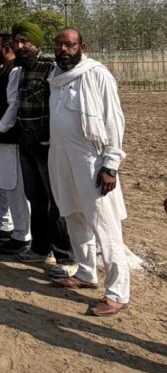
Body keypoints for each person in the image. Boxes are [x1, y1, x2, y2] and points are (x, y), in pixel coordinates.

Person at [47, 29, 130, 317]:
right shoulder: (55, 77)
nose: (63, 49)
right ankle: (85, 272)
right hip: (61, 157)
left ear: (82, 46)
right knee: (73, 215)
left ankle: (118, 293)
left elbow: (114, 121)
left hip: (92, 161)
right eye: (59, 44)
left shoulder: (97, 74)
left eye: (69, 44)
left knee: (105, 226)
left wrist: (110, 165)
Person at [13, 21, 73, 264]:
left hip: (46, 143)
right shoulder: (21, 70)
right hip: (26, 142)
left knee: (56, 200)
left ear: (36, 43)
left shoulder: (51, 68)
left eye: (24, 41)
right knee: (35, 198)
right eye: (16, 42)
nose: (19, 46)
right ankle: (40, 248)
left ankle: (65, 255)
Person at [0, 34, 31, 253]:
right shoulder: (2, 71)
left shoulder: (15, 71)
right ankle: (9, 228)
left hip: (8, 140)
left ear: (7, 48)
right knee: (5, 185)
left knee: (14, 186)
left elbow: (13, 106)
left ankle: (22, 235)